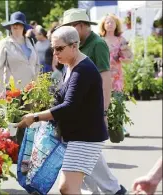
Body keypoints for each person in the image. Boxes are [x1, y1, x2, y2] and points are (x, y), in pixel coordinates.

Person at [17, 26, 108, 194]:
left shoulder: (83, 70)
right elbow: (62, 98)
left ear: (74, 46)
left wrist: (35, 117)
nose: (55, 53)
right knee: (70, 188)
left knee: (67, 187)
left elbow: (69, 106)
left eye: (59, 48)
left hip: (87, 137)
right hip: (78, 135)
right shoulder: (70, 66)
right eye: (53, 48)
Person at [60, 8, 127, 194]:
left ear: (81, 25)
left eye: (71, 27)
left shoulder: (97, 44)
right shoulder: (76, 42)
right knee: (83, 152)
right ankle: (108, 189)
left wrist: (103, 111)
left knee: (84, 150)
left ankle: (111, 189)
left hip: (90, 107)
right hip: (77, 105)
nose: (68, 31)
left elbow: (106, 77)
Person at [99, 13, 133, 137]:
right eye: (107, 22)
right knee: (103, 101)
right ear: (103, 25)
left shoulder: (121, 40)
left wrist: (125, 55)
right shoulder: (99, 40)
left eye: (112, 22)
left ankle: (120, 127)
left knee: (118, 101)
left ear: (116, 24)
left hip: (117, 75)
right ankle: (104, 126)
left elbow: (130, 57)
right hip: (103, 74)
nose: (109, 24)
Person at [0, 11, 39, 98]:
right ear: (10, 27)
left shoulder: (31, 42)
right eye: (14, 24)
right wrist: (0, 90)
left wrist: (36, 83)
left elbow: (37, 64)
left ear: (23, 27)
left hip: (32, 90)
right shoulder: (4, 43)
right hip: (13, 91)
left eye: (19, 24)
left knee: (33, 112)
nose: (16, 26)